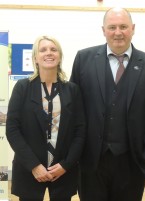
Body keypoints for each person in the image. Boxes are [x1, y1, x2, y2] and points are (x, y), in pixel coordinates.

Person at [70, 7, 145, 201]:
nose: (118, 32)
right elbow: (74, 109)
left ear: (133, 28)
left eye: (123, 26)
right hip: (90, 161)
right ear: (103, 30)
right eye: (112, 27)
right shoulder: (83, 59)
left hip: (132, 161)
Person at [6, 36, 86, 201]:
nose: (48, 53)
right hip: (30, 170)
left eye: (53, 49)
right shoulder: (22, 87)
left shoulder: (72, 90)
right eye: (43, 50)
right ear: (35, 58)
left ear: (60, 56)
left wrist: (66, 165)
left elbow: (80, 131)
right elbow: (12, 130)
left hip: (63, 170)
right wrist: (34, 166)